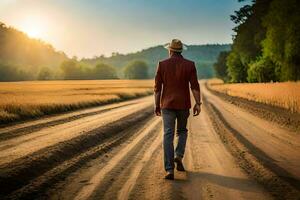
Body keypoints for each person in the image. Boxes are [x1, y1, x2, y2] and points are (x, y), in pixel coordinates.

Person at [154, 39, 202, 180]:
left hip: (167, 105)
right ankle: (178, 155)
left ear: (170, 50)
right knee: (182, 131)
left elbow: (157, 88)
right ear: (181, 51)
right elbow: (194, 86)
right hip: (183, 104)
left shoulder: (162, 65)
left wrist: (157, 105)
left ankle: (169, 170)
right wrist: (198, 103)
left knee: (167, 134)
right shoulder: (190, 65)